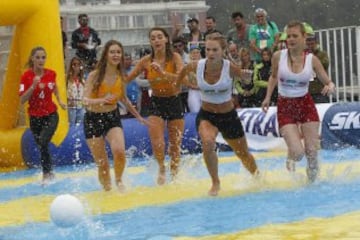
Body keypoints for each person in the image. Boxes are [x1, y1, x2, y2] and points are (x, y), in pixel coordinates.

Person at [178, 34, 259, 196]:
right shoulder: (197, 66)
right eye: (208, 49)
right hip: (207, 115)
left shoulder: (229, 67)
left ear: (223, 51)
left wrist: (245, 77)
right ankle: (215, 182)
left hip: (228, 116)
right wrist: (178, 85)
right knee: (207, 143)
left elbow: (244, 78)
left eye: (215, 50)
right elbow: (183, 71)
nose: (211, 53)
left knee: (243, 154)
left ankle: (257, 177)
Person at [261, 21, 335, 182]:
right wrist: (267, 97)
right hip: (285, 106)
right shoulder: (277, 57)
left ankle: (312, 186)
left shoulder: (312, 59)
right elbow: (273, 77)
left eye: (295, 36)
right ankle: (291, 154)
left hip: (306, 104)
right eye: (289, 36)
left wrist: (330, 86)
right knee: (298, 153)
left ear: (304, 38)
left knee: (312, 152)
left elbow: (328, 81)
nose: (291, 39)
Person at [83, 40, 148, 191]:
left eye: (118, 52)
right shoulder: (94, 76)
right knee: (103, 163)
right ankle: (107, 190)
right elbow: (85, 101)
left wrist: (138, 116)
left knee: (119, 151)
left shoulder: (121, 75)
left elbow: (123, 99)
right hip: (93, 119)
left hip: (112, 117)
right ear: (106, 54)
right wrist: (101, 100)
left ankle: (119, 181)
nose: (116, 55)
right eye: (112, 52)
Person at [126, 27, 184, 185]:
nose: (157, 40)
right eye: (153, 38)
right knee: (157, 142)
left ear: (166, 39)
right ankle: (161, 170)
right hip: (156, 102)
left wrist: (163, 72)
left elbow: (181, 79)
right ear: (150, 42)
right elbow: (127, 78)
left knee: (175, 146)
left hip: (174, 101)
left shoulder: (175, 57)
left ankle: (175, 174)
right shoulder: (146, 61)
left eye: (160, 37)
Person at [19, 46, 66, 182]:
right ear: (32, 59)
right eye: (38, 57)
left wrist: (60, 101)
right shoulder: (26, 76)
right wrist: (33, 86)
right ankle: (50, 173)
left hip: (51, 114)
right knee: (42, 145)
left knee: (44, 141)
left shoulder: (51, 73)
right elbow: (22, 99)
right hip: (35, 118)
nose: (41, 60)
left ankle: (46, 174)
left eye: (43, 57)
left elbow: (54, 87)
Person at [306, 31, 330, 103]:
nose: (310, 44)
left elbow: (325, 64)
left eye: (312, 41)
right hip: (306, 92)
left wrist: (312, 56)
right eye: (308, 41)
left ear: (316, 42)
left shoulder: (322, 54)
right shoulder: (302, 55)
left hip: (320, 91)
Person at [66, 56, 85, 125]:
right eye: (74, 64)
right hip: (71, 105)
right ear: (71, 66)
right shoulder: (67, 79)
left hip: (81, 105)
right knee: (71, 125)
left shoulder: (83, 79)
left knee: (80, 125)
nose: (76, 66)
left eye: (78, 64)